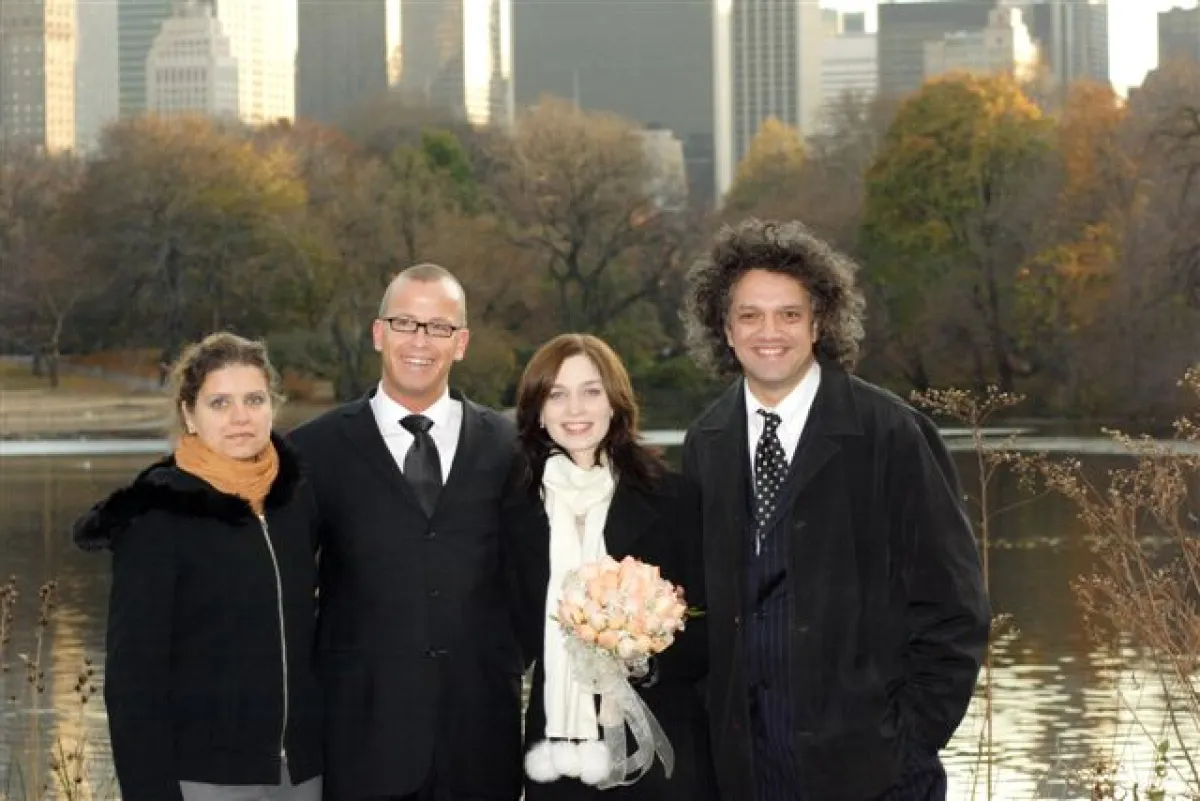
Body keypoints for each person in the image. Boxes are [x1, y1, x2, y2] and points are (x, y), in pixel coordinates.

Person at [679, 219, 991, 801]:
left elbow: (956, 609)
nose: (769, 332)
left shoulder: (892, 434)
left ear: (819, 322)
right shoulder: (706, 442)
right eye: (750, 315)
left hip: (873, 770)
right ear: (724, 328)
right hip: (745, 771)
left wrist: (907, 742)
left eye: (789, 314)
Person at [288, 264, 523, 801]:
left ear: (460, 343)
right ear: (378, 333)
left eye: (439, 327)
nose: (421, 341)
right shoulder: (313, 450)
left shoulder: (510, 448)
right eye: (405, 323)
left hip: (480, 743)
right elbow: (285, 595)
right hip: (361, 743)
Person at [73, 332, 323, 801]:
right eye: (219, 403)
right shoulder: (158, 514)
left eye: (254, 399)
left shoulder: (295, 500)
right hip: (206, 776)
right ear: (189, 414)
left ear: (273, 404)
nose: (240, 417)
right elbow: (133, 680)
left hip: (303, 773)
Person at [507, 333, 716, 801]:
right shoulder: (513, 510)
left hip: (660, 751)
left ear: (615, 403)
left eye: (591, 391)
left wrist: (641, 656)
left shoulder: (674, 500)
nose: (575, 409)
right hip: (556, 752)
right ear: (537, 411)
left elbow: (712, 628)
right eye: (556, 394)